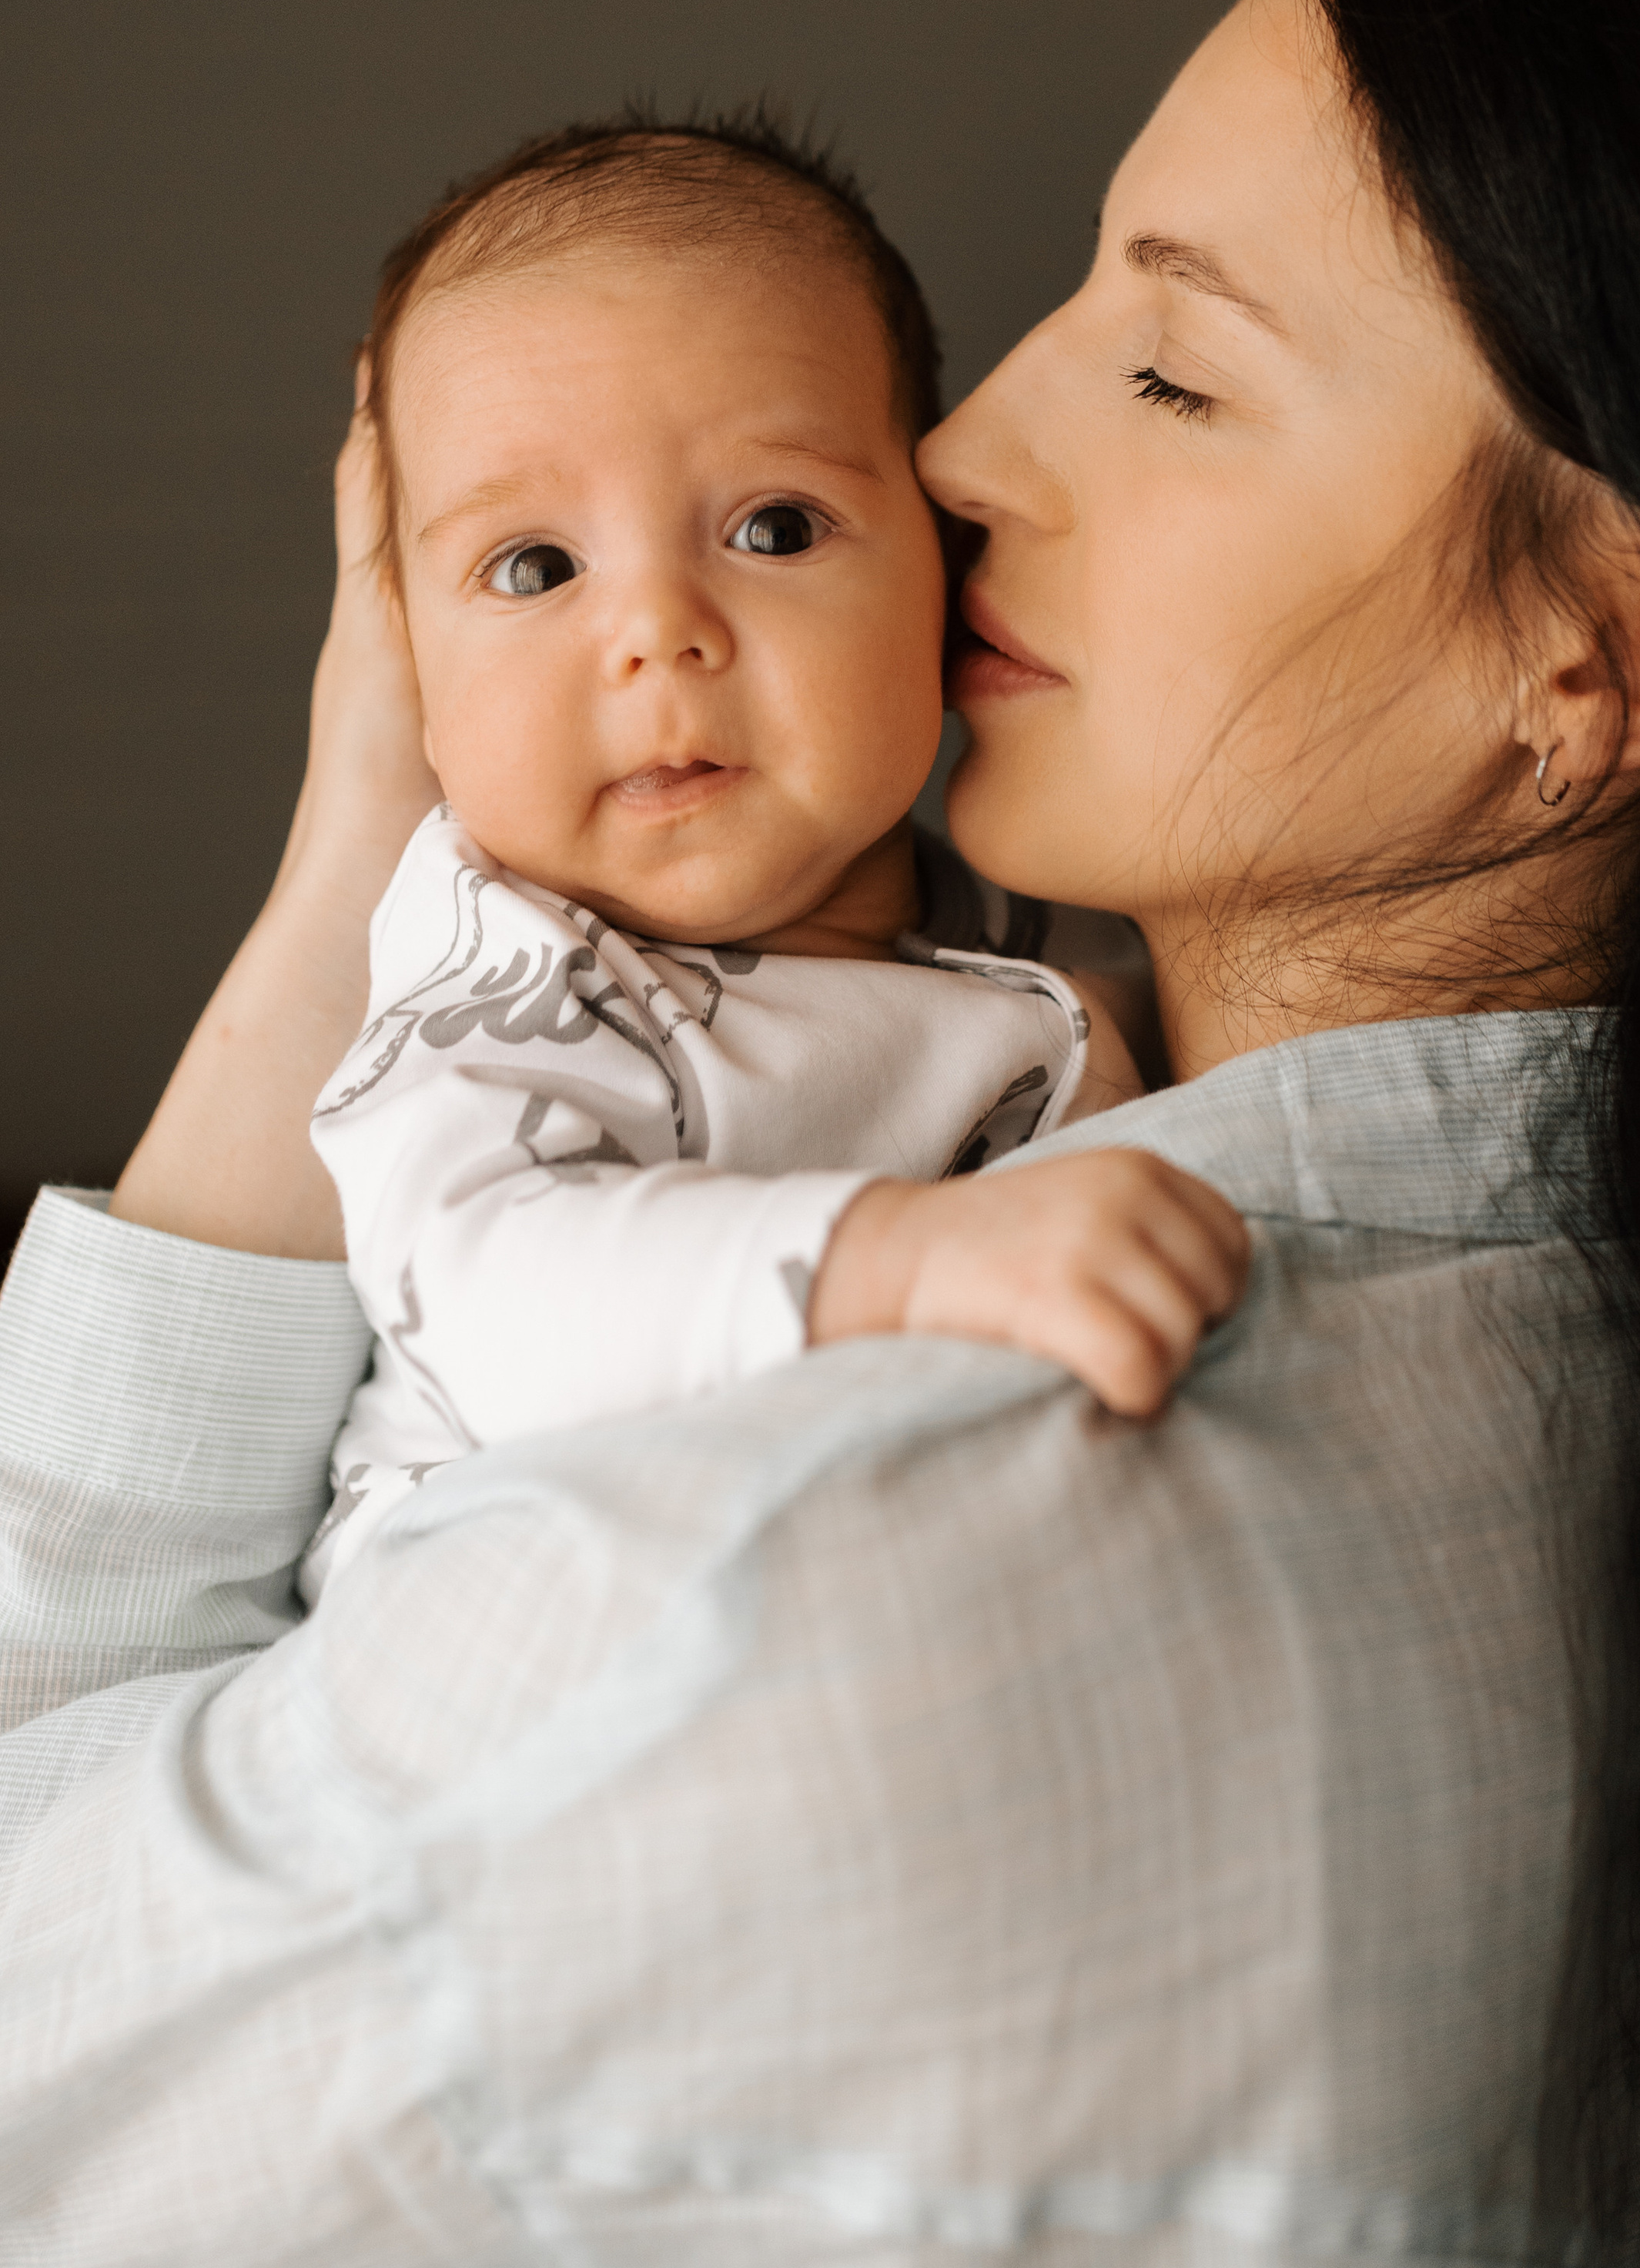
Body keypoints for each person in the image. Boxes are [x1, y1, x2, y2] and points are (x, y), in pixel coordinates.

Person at [1, 0, 1640, 2268]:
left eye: (1171, 369)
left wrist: (333, 886)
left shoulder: (816, 1579)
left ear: (1608, 644)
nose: (958, 446)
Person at [298, 114, 1229, 1597]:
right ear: (406, 655)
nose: (659, 631)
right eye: (535, 567)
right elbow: (498, 1287)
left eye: (776, 527)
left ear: (944, 571)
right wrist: (898, 1264)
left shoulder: (1014, 925)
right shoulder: (508, 980)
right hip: (501, 1620)